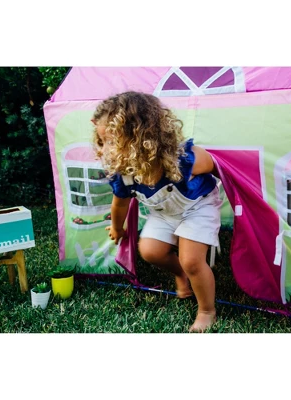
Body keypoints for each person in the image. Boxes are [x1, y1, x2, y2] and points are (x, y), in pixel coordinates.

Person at [91, 91, 222, 332]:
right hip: (164, 214)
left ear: (141, 137)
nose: (105, 150)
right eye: (103, 142)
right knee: (150, 251)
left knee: (192, 260)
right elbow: (120, 203)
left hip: (198, 207)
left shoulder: (183, 160)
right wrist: (118, 228)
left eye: (112, 142)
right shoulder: (124, 173)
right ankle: (181, 273)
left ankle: (206, 310)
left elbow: (219, 167)